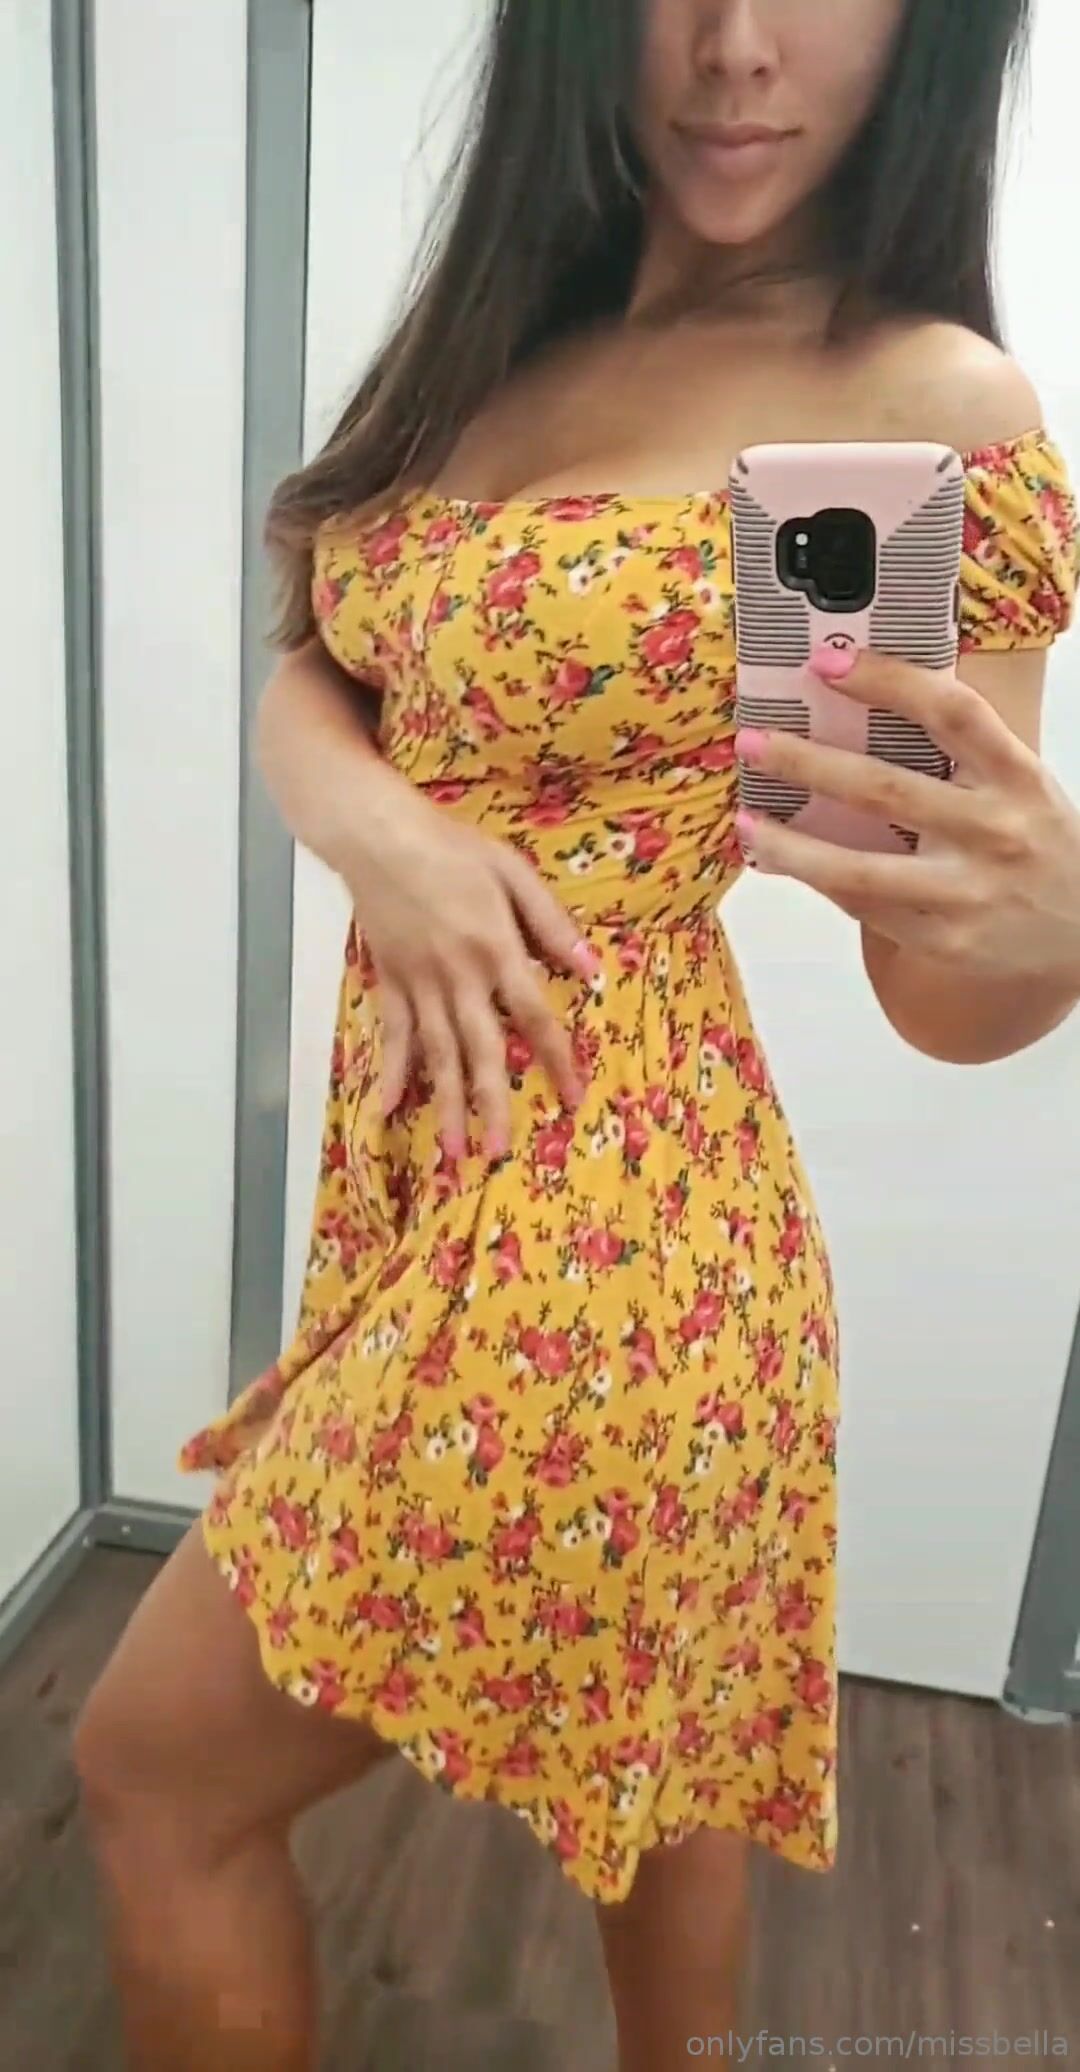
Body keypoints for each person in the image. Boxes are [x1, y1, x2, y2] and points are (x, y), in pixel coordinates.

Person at [76, 4, 1080, 2068]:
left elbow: (931, 977)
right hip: (430, 1190)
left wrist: (1060, 933)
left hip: (607, 1245)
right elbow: (319, 654)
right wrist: (379, 832)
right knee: (666, 1742)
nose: (734, 48)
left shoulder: (900, 398)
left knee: (153, 1780)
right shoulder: (504, 327)